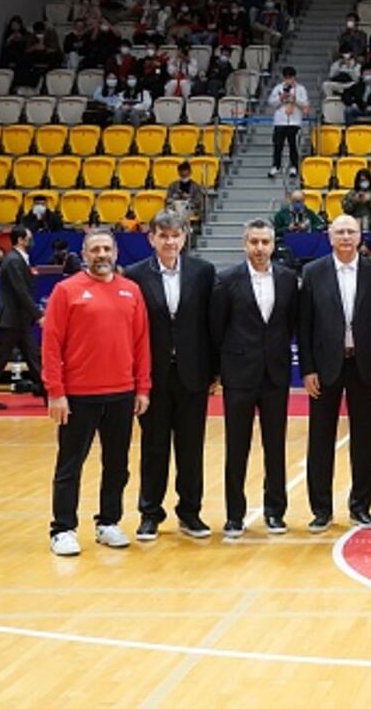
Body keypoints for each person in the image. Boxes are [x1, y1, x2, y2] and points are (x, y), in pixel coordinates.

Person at [44, 229, 151, 556]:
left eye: (106, 248)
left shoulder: (131, 291)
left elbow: (141, 343)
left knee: (117, 463)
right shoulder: (66, 291)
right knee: (70, 465)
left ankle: (108, 522)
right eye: (95, 249)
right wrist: (55, 391)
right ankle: (62, 528)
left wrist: (142, 387)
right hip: (78, 396)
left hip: (121, 393)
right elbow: (50, 344)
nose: (101, 254)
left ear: (116, 252)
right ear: (85, 254)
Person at [123, 211, 216, 540]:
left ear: (184, 237)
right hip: (154, 377)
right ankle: (150, 513)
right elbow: (130, 331)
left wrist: (213, 372)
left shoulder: (203, 272)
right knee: (154, 447)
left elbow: (212, 325)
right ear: (152, 239)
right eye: (163, 236)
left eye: (175, 235)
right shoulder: (134, 275)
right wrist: (136, 378)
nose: (170, 241)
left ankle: (190, 513)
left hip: (193, 374)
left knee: (191, 450)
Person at [299, 215, 371, 532]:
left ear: (360, 235)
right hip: (325, 366)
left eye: (351, 231)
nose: (346, 237)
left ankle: (361, 507)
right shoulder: (313, 272)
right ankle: (321, 510)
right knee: (320, 439)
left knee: (364, 439)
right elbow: (305, 325)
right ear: (329, 236)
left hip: (364, 366)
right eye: (340, 232)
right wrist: (308, 368)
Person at [210, 218, 299, 538]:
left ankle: (275, 512)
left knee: (275, 447)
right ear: (244, 244)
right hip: (239, 376)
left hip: (275, 374)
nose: (260, 248)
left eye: (265, 242)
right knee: (237, 447)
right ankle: (235, 516)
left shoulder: (289, 279)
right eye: (254, 242)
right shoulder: (226, 280)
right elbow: (217, 329)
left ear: (273, 244)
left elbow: (289, 325)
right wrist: (218, 372)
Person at [0, 227, 44, 409]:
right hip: (12, 319)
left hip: (19, 319)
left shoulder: (17, 258)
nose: (32, 241)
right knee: (0, 359)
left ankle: (48, 392)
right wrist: (38, 315)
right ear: (21, 240)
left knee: (33, 356)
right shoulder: (13, 260)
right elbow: (20, 291)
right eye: (29, 238)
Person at [266, 66, 309, 178]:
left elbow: (305, 105)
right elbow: (271, 102)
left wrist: (295, 100)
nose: (288, 80)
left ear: (294, 77)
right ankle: (276, 166)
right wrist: (281, 98)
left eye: (290, 78)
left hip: (294, 121)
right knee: (278, 145)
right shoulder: (278, 88)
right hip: (280, 120)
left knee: (293, 145)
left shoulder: (301, 89)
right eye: (286, 78)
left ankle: (293, 166)